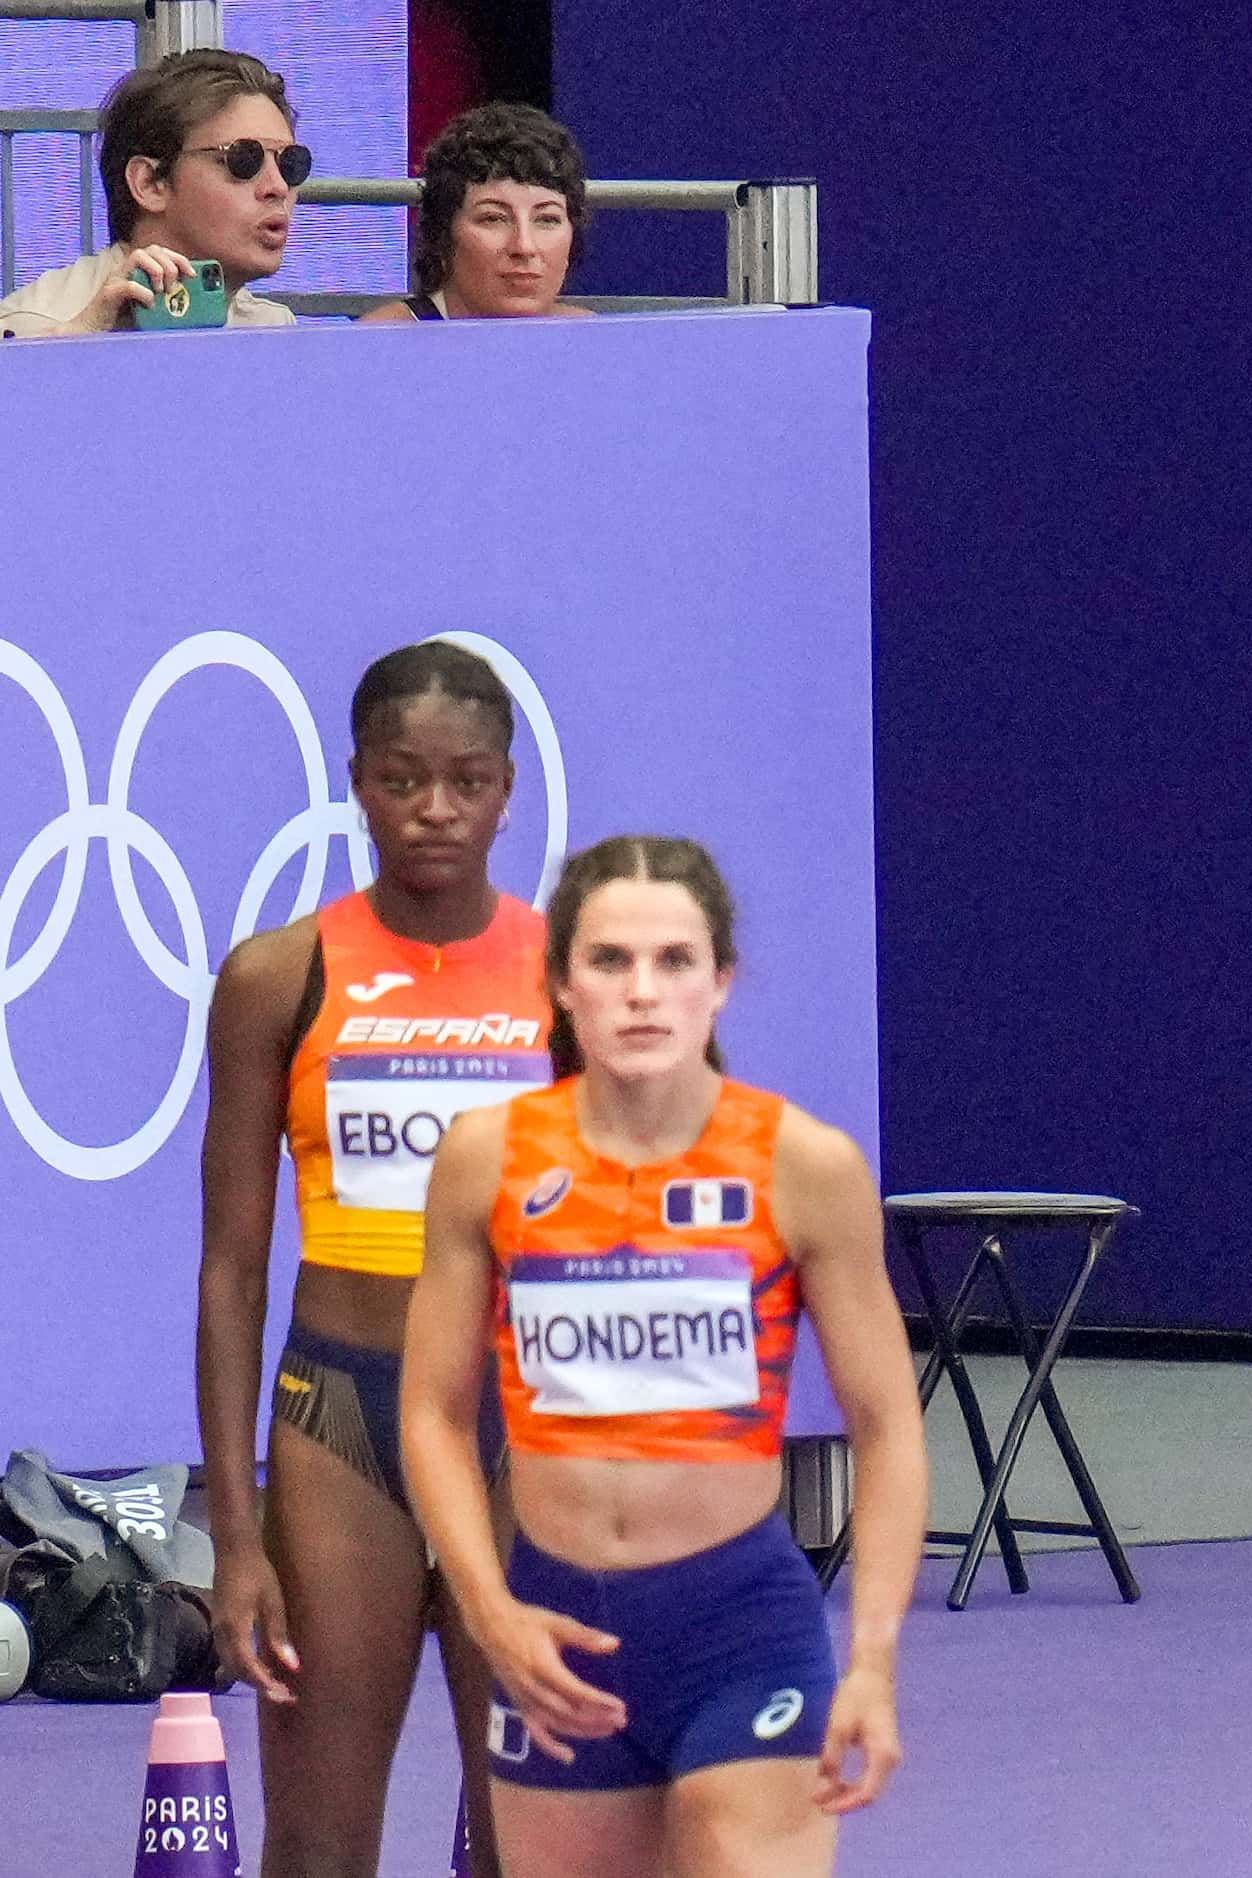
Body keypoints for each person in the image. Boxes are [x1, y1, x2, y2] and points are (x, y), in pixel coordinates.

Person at [403, 836, 929, 1876]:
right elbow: (430, 1413)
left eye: (675, 962)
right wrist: (488, 1611)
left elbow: (887, 1426)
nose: (642, 993)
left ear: (720, 982)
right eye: (609, 961)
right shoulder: (487, 1158)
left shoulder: (802, 1167)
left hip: (738, 1630)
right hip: (555, 1630)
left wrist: (870, 1661)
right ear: (559, 982)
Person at [196, 642, 548, 1873]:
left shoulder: (573, 985)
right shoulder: (277, 979)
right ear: (356, 782)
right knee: (319, 1849)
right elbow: (233, 1272)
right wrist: (235, 1539)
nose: (436, 810)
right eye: (403, 780)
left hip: (526, 1425)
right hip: (342, 1414)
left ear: (510, 788)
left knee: (540, 1844)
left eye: (466, 780)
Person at [0, 49, 305, 339]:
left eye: (291, 164)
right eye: (244, 160)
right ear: (149, 183)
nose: (277, 186)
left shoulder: (272, 329)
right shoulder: (34, 326)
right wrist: (76, 344)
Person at [359, 103, 592, 325]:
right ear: (443, 234)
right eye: (493, 218)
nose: (524, 247)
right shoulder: (377, 343)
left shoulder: (594, 340)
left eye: (547, 219)